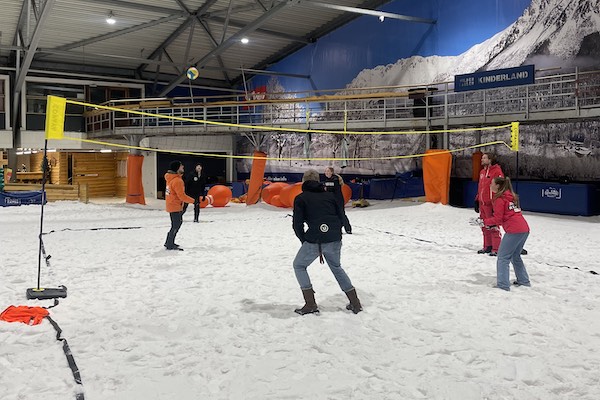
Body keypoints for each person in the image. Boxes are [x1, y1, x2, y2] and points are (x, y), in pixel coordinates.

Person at [292, 169, 362, 315]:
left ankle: (310, 303)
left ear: (303, 181)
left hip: (315, 240)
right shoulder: (330, 196)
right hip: (335, 238)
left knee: (299, 265)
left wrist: (304, 240)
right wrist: (342, 230)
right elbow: (341, 215)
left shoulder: (301, 198)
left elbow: (297, 224)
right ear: (318, 181)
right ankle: (355, 302)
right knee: (336, 267)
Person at [484, 177, 531, 291]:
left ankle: (503, 285)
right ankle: (523, 281)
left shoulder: (500, 199)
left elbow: (498, 219)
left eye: (492, 184)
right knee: (515, 256)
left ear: (498, 186)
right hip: (524, 229)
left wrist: (483, 222)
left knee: (502, 257)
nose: (490, 186)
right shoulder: (511, 196)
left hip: (514, 230)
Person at [475, 152, 504, 256]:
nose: (482, 160)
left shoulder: (496, 171)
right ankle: (488, 246)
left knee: (493, 225)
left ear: (490, 159)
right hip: (482, 203)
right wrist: (477, 199)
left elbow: (500, 187)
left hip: (491, 203)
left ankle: (497, 248)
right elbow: (481, 188)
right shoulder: (482, 172)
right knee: (483, 225)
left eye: (484, 158)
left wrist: (495, 203)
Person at [164, 160, 194, 251]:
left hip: (171, 204)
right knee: (176, 225)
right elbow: (181, 196)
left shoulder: (170, 178)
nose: (183, 167)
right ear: (177, 168)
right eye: (181, 166)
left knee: (175, 224)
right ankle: (169, 244)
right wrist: (194, 201)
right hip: (175, 205)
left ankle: (169, 242)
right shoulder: (177, 181)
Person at [323, 166, 352, 234]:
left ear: (332, 172)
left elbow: (330, 189)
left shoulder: (335, 179)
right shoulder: (327, 180)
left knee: (341, 214)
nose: (326, 173)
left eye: (328, 171)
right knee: (334, 215)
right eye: (326, 171)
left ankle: (348, 229)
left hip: (337, 200)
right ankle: (337, 228)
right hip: (331, 200)